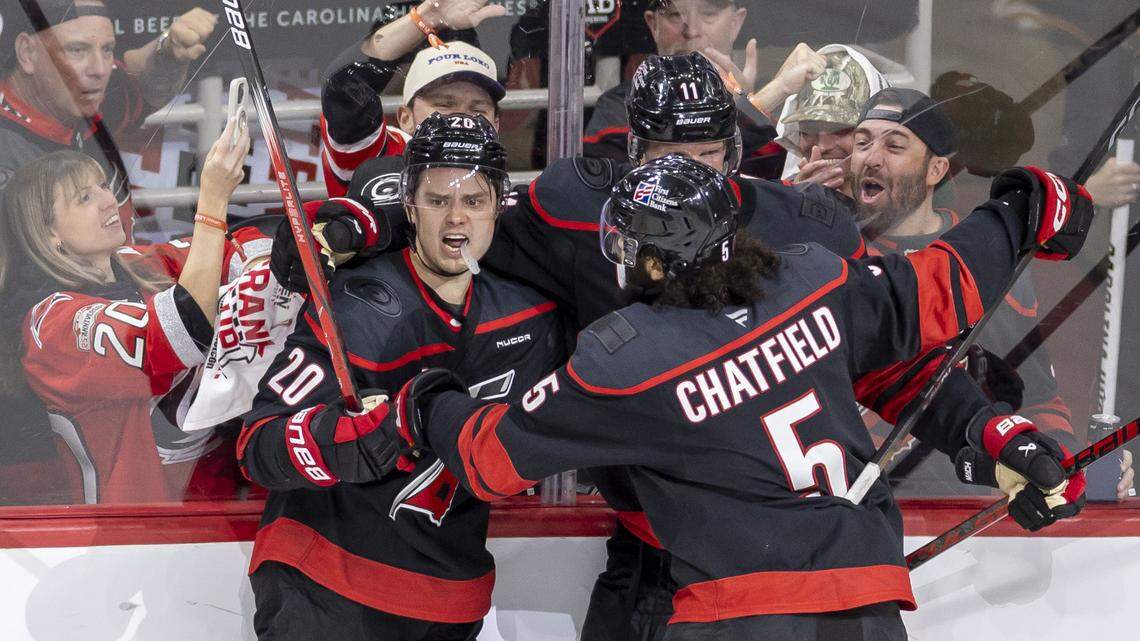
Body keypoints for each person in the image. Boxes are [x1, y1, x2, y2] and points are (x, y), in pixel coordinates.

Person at [273, 51, 867, 641]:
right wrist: (357, 222)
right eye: (670, 156)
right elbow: (465, 218)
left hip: (782, 546)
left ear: (734, 153)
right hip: (650, 548)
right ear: (634, 150)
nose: (689, 175)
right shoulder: (582, 209)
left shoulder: (809, 232)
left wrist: (960, 414)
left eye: (707, 155)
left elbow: (883, 351)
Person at [377, 153, 1092, 641]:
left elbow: (489, 461)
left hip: (738, 615)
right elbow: (931, 302)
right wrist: (1025, 209)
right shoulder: (813, 280)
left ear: (654, 261)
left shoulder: (626, 358)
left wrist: (431, 397)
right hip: (869, 603)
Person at [239, 113, 564, 641]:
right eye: (437, 201)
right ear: (410, 205)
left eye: (474, 201)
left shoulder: (534, 313)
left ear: (500, 206)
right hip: (326, 585)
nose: (455, 220)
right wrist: (334, 442)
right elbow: (258, 445)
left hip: (449, 599)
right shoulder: (358, 302)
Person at [847, 87, 1135, 499]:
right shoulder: (830, 261)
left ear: (935, 170)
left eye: (894, 146)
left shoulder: (990, 261)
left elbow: (1038, 400)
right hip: (854, 512)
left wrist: (1068, 467)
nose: (871, 157)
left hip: (970, 518)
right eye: (860, 144)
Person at [0, 117, 254, 505]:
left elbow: (249, 247)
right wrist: (213, 203)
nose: (108, 201)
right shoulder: (52, 325)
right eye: (84, 198)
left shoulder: (139, 262)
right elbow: (182, 333)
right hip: (131, 539)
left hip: (218, 515)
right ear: (49, 233)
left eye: (103, 185)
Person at [0, 0, 218, 234]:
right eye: (76, 50)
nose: (100, 69)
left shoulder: (74, 100)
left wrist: (170, 49)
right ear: (27, 52)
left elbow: (142, 82)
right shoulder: (9, 150)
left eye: (107, 49)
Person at [582, 0, 827, 177]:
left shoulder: (792, 103)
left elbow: (763, 193)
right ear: (652, 24)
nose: (691, 31)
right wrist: (756, 104)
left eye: (708, 14)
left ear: (736, 23)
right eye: (674, 15)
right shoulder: (618, 105)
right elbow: (626, 187)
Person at [319, 0, 507, 197]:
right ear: (405, 118)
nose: (461, 118)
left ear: (496, 124)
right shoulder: (378, 153)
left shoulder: (496, 168)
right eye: (444, 105)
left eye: (477, 110)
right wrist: (427, 18)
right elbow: (344, 85)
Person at [774, 45, 889, 194]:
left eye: (840, 129)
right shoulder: (776, 202)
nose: (822, 147)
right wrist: (795, 204)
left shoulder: (904, 205)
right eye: (808, 129)